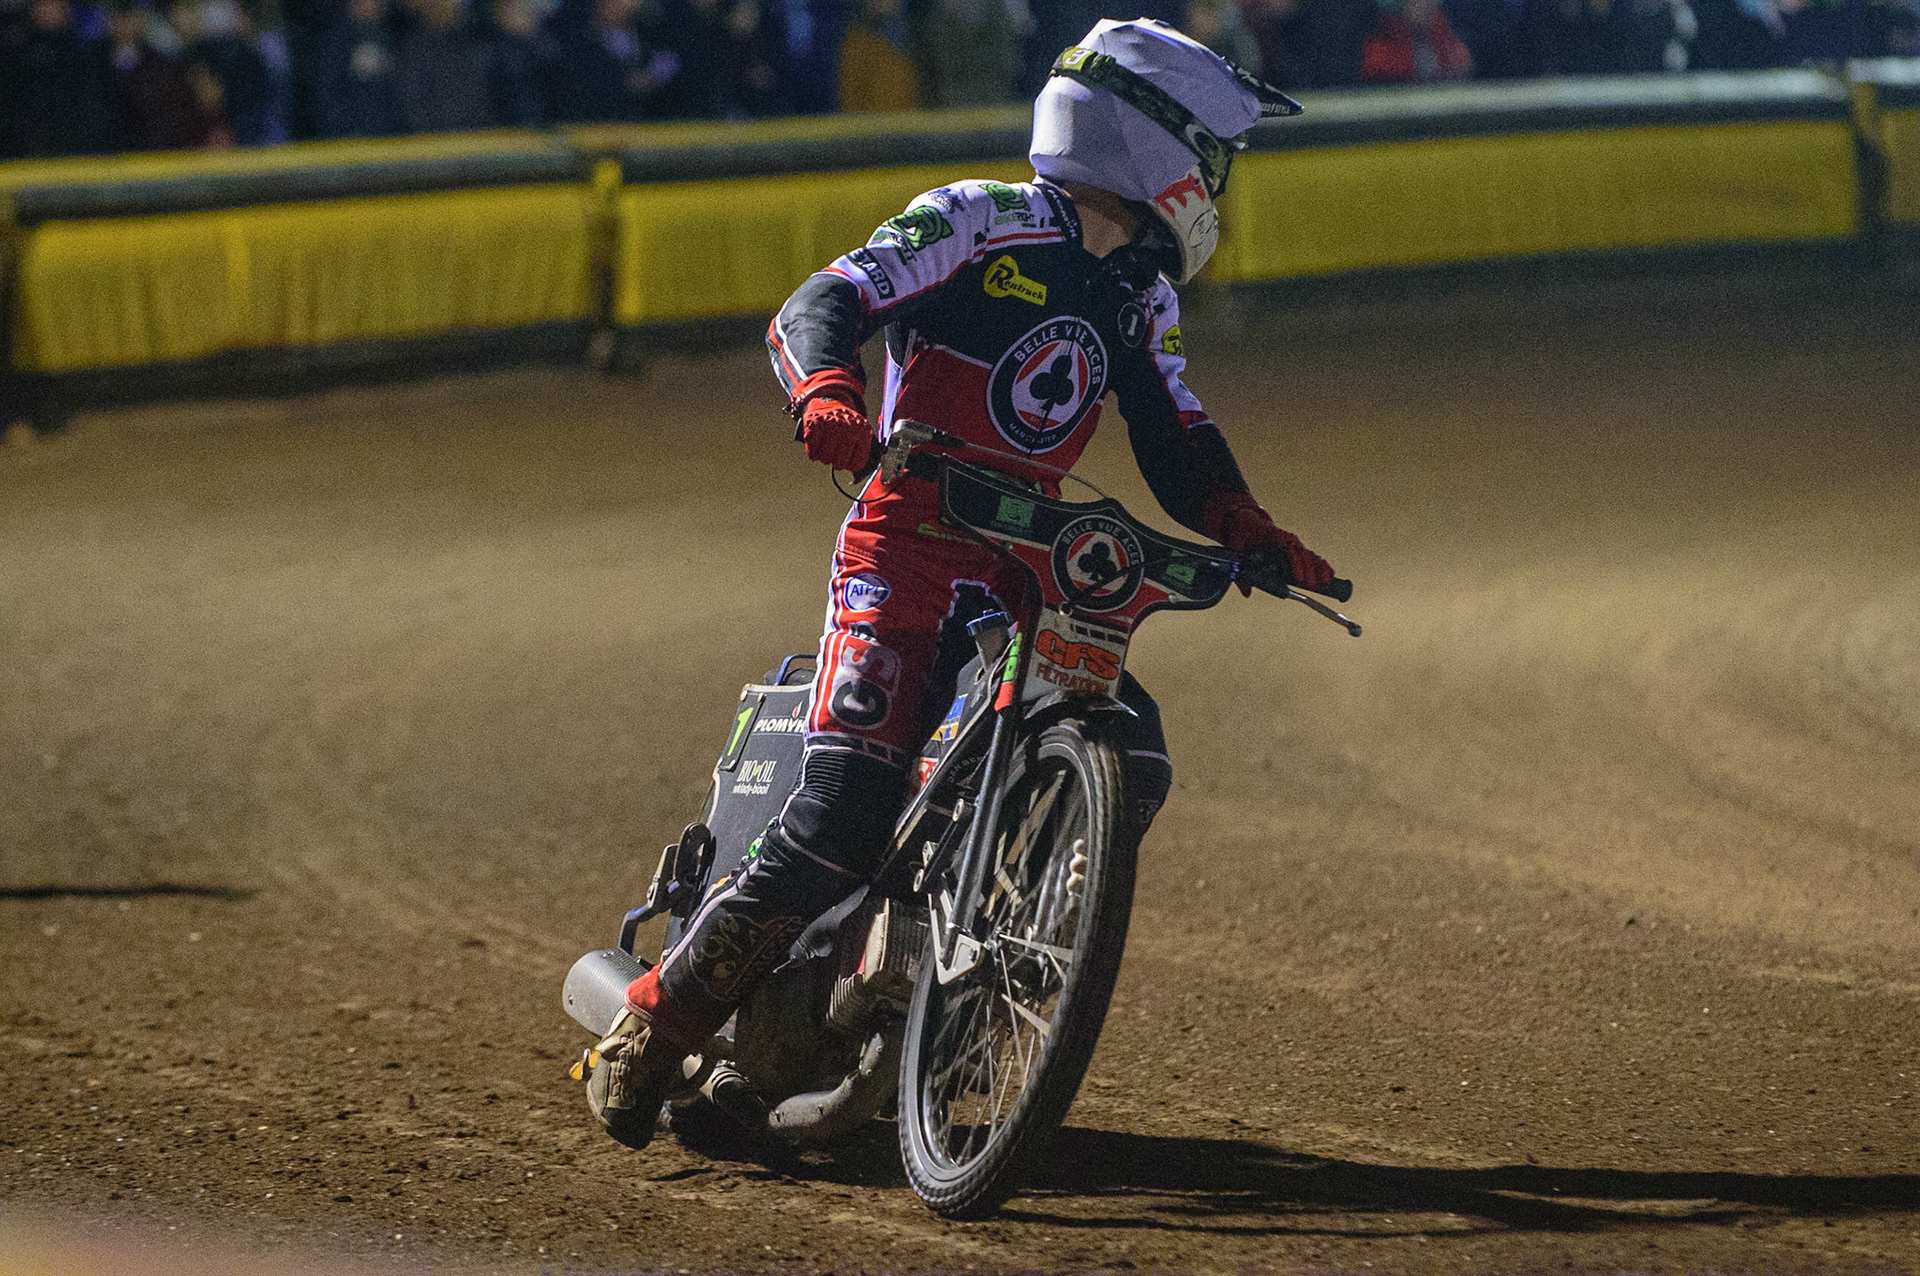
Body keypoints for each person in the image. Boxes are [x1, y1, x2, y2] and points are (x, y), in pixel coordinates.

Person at [583, 18, 1340, 1150]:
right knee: (841, 810)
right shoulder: (978, 219)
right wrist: (828, 393)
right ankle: (652, 1022)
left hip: (1024, 560)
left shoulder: (1138, 297)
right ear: (1149, 146)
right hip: (908, 538)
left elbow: (1176, 427)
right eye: (1208, 156)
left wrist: (1246, 522)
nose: (1213, 185)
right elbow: (822, 301)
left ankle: (959, 968)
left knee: (1131, 745)